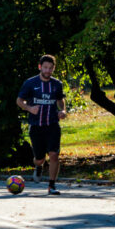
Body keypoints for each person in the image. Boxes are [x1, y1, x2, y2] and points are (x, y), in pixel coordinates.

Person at [17, 54, 67, 195]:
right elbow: (19, 101)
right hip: (36, 126)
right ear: (40, 67)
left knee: (54, 155)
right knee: (39, 159)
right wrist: (30, 108)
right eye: (45, 67)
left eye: (50, 68)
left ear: (53, 69)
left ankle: (51, 186)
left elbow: (60, 100)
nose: (47, 71)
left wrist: (62, 110)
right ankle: (38, 167)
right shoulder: (30, 83)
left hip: (52, 125)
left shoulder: (57, 84)